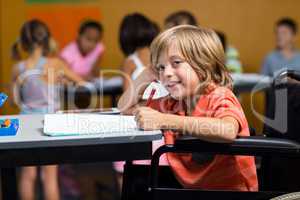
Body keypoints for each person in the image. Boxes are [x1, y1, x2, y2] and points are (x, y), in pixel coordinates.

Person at [118, 25, 258, 191]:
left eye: (176, 63)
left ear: (203, 65)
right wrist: (145, 75)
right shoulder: (174, 103)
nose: (166, 73)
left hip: (231, 192)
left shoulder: (219, 95)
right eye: (161, 67)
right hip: (195, 189)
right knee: (136, 182)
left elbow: (227, 130)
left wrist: (163, 120)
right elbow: (125, 107)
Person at [11, 19, 85, 200]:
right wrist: (64, 83)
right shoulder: (56, 64)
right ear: (47, 39)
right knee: (49, 177)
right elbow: (82, 84)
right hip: (51, 124)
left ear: (23, 41)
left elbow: (14, 101)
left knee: (28, 176)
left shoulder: (17, 68)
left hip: (25, 124)